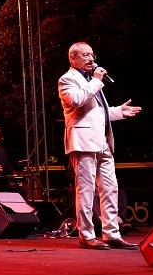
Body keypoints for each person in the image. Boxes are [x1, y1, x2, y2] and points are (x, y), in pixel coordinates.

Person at [58, 41, 141, 250]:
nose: (91, 59)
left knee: (110, 188)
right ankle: (86, 235)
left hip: (102, 141)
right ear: (73, 58)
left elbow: (96, 113)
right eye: (86, 55)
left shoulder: (91, 81)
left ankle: (111, 233)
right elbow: (77, 100)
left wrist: (119, 112)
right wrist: (96, 81)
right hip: (83, 142)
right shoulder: (67, 79)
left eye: (92, 55)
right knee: (86, 190)